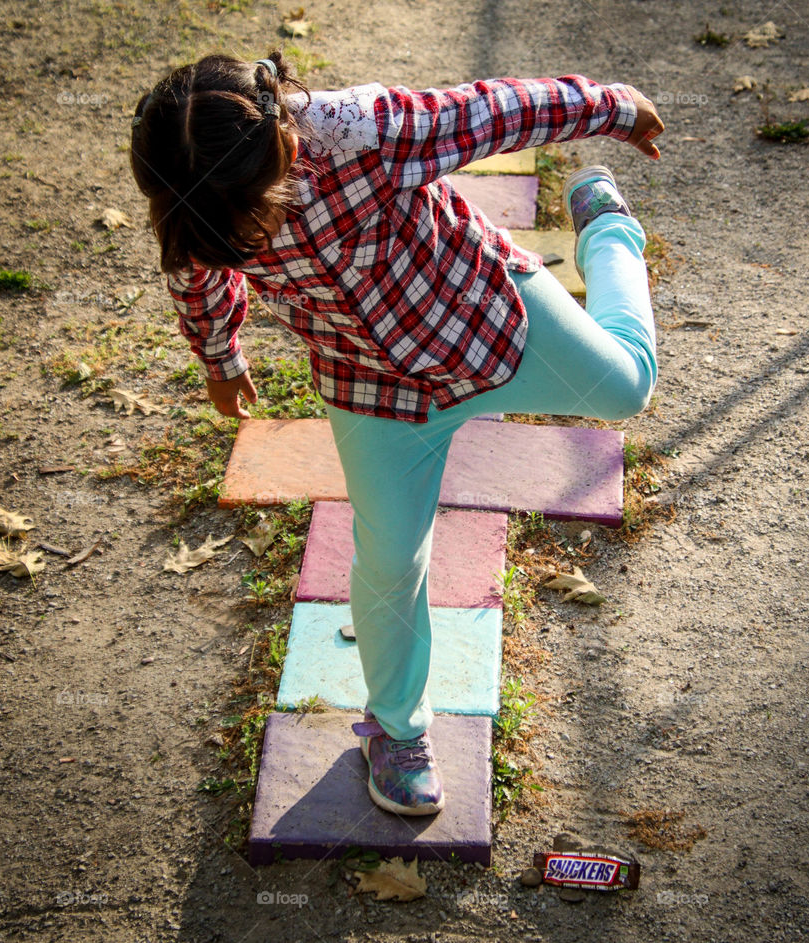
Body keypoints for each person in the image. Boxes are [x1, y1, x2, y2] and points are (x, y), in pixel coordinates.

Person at [130, 51, 663, 817]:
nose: (250, 239)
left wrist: (611, 105)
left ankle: (608, 233)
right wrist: (220, 357)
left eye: (255, 214)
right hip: (371, 389)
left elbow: (496, 110)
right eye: (228, 234)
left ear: (286, 147)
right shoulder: (198, 212)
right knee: (389, 557)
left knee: (628, 386)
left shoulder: (366, 133)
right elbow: (197, 278)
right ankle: (397, 729)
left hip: (488, 323)